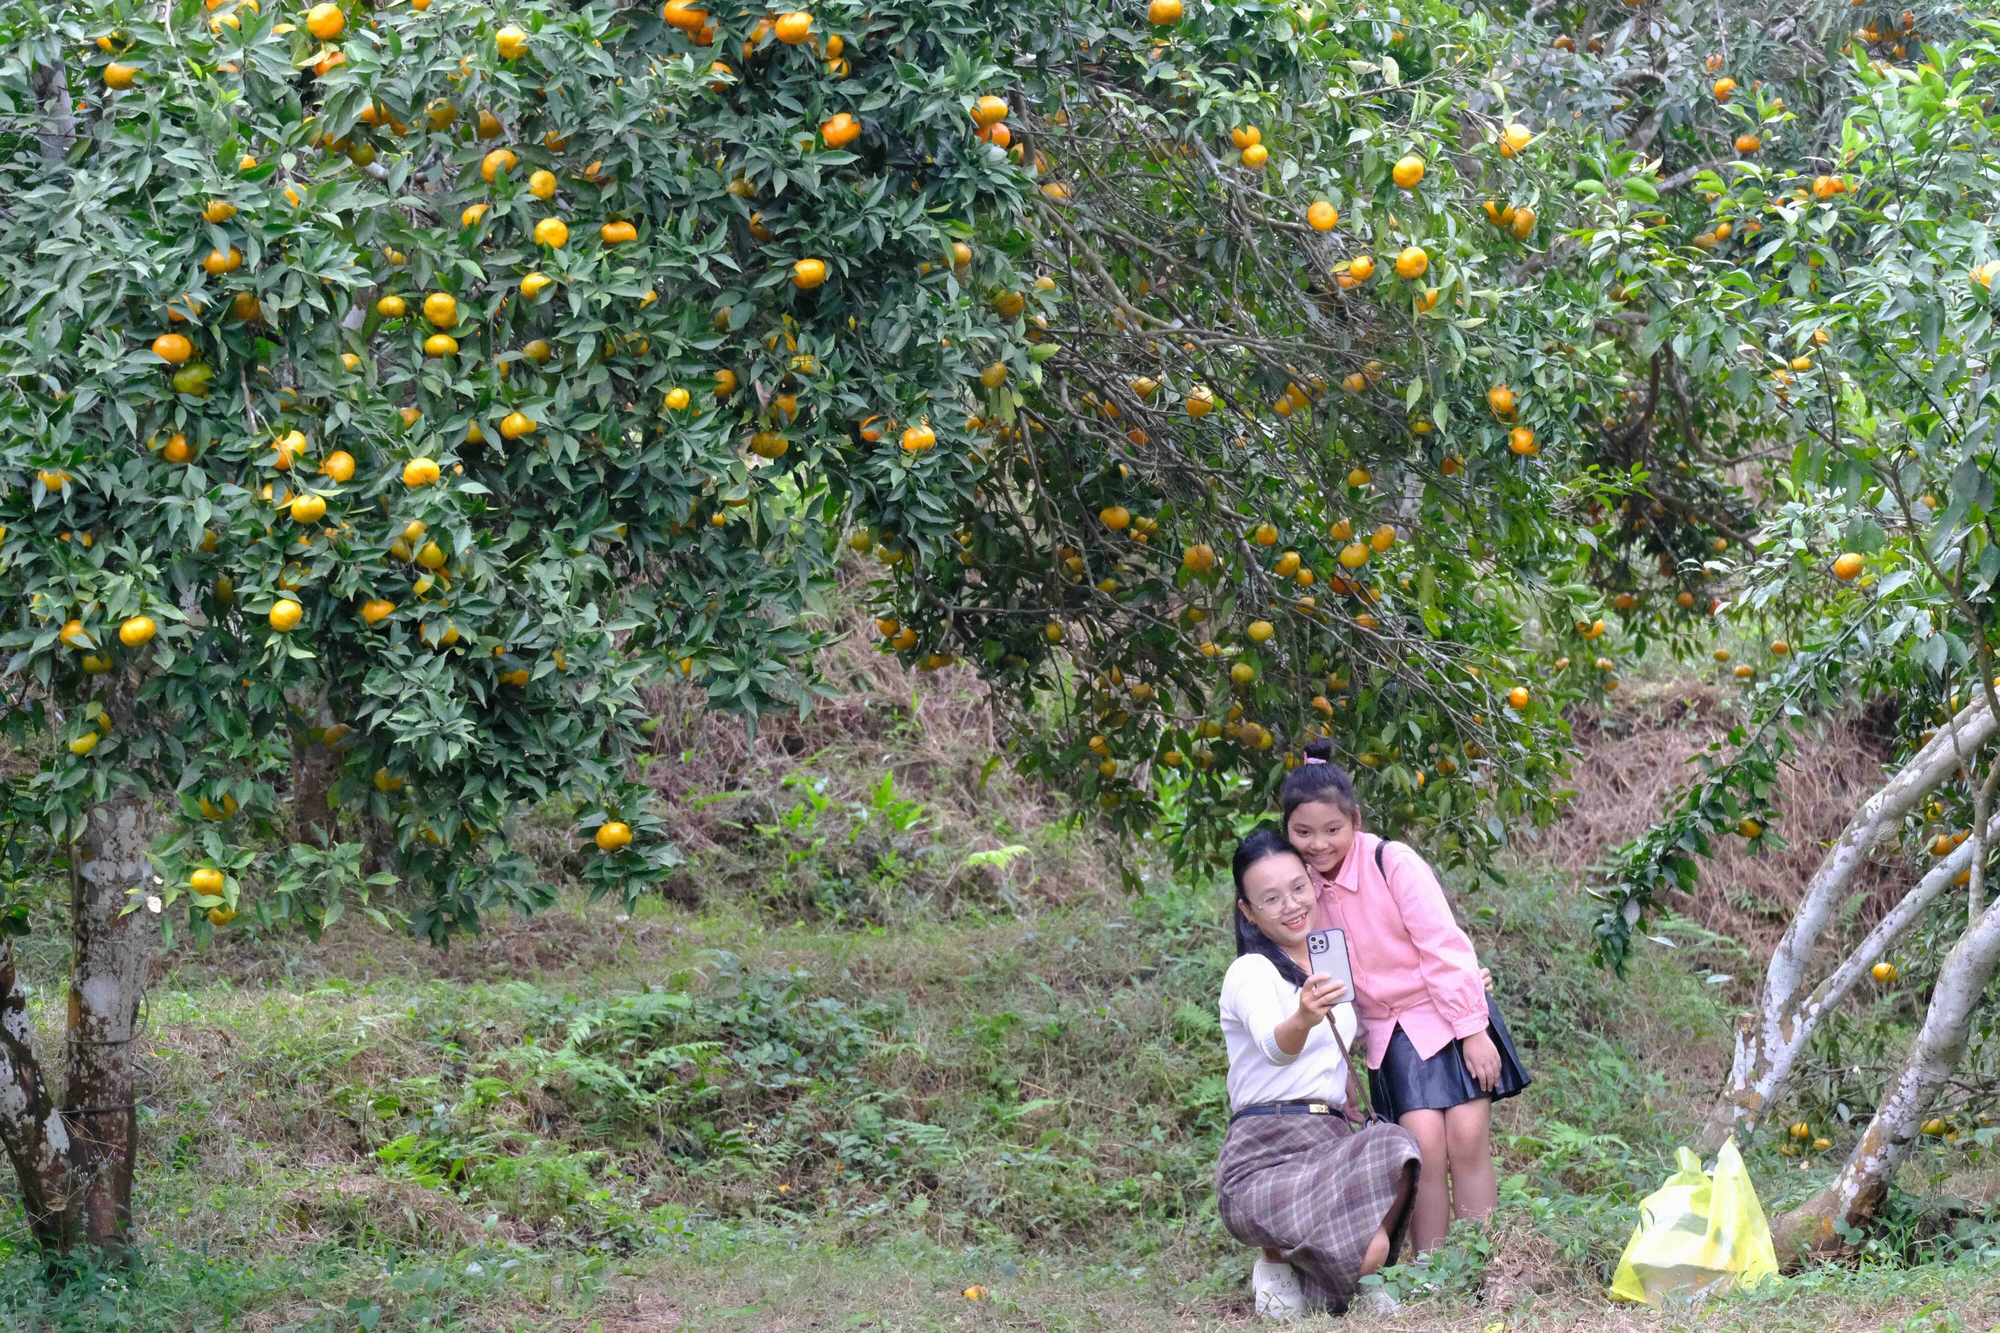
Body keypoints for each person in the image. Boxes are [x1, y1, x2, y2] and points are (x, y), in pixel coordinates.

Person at [1279, 740, 1530, 1255]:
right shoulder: (1299, 889)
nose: (1319, 844)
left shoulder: (1390, 861)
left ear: (1356, 819)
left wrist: (1474, 1030)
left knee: (1468, 1138)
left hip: (1447, 1011)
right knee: (1424, 1148)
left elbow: (1442, 944)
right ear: (1287, 830)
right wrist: (1342, 1072)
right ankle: (1433, 1273)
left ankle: (1486, 1264)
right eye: (1303, 832)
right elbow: (1327, 989)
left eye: (1332, 830)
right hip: (1389, 1033)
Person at [1216, 828, 1420, 1317]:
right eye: (1270, 898)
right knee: (1363, 1252)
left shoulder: (1334, 962)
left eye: (1298, 888)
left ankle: (1319, 1281)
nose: (1290, 905)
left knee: (1396, 1144)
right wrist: (1303, 1017)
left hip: (1328, 1142)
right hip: (1262, 1155)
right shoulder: (1250, 973)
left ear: (1312, 883)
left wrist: (1463, 985)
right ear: (1248, 911)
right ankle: (1278, 1263)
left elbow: (1392, 997)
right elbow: (1273, 1046)